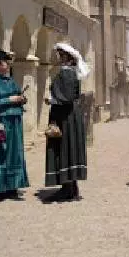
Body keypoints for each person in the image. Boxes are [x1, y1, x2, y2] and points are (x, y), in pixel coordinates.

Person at [44, 43, 90, 202]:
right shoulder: (70, 72)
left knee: (65, 147)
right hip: (68, 115)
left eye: (60, 55)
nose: (58, 57)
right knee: (69, 147)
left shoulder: (67, 73)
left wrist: (52, 100)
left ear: (68, 58)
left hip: (66, 116)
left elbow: (67, 97)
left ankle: (67, 189)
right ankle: (71, 188)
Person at [0, 49, 28, 199]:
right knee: (0, 154)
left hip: (15, 122)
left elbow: (17, 93)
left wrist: (21, 99)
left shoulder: (10, 80)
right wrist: (9, 100)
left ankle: (12, 186)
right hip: (0, 123)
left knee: (15, 154)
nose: (7, 65)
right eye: (4, 62)